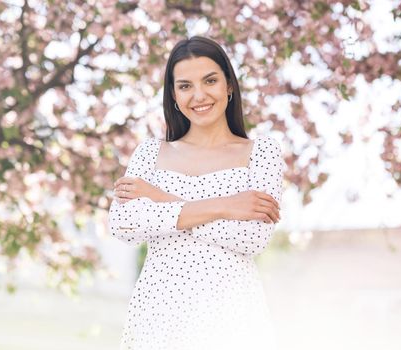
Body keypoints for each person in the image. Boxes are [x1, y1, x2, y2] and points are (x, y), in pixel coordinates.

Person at [108, 36, 284, 350]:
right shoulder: (150, 153)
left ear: (229, 86)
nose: (198, 95)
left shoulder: (262, 152)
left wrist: (161, 199)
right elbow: (124, 224)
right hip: (159, 315)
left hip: (231, 318)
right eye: (185, 85)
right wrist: (226, 206)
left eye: (210, 80)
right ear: (173, 96)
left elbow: (251, 239)